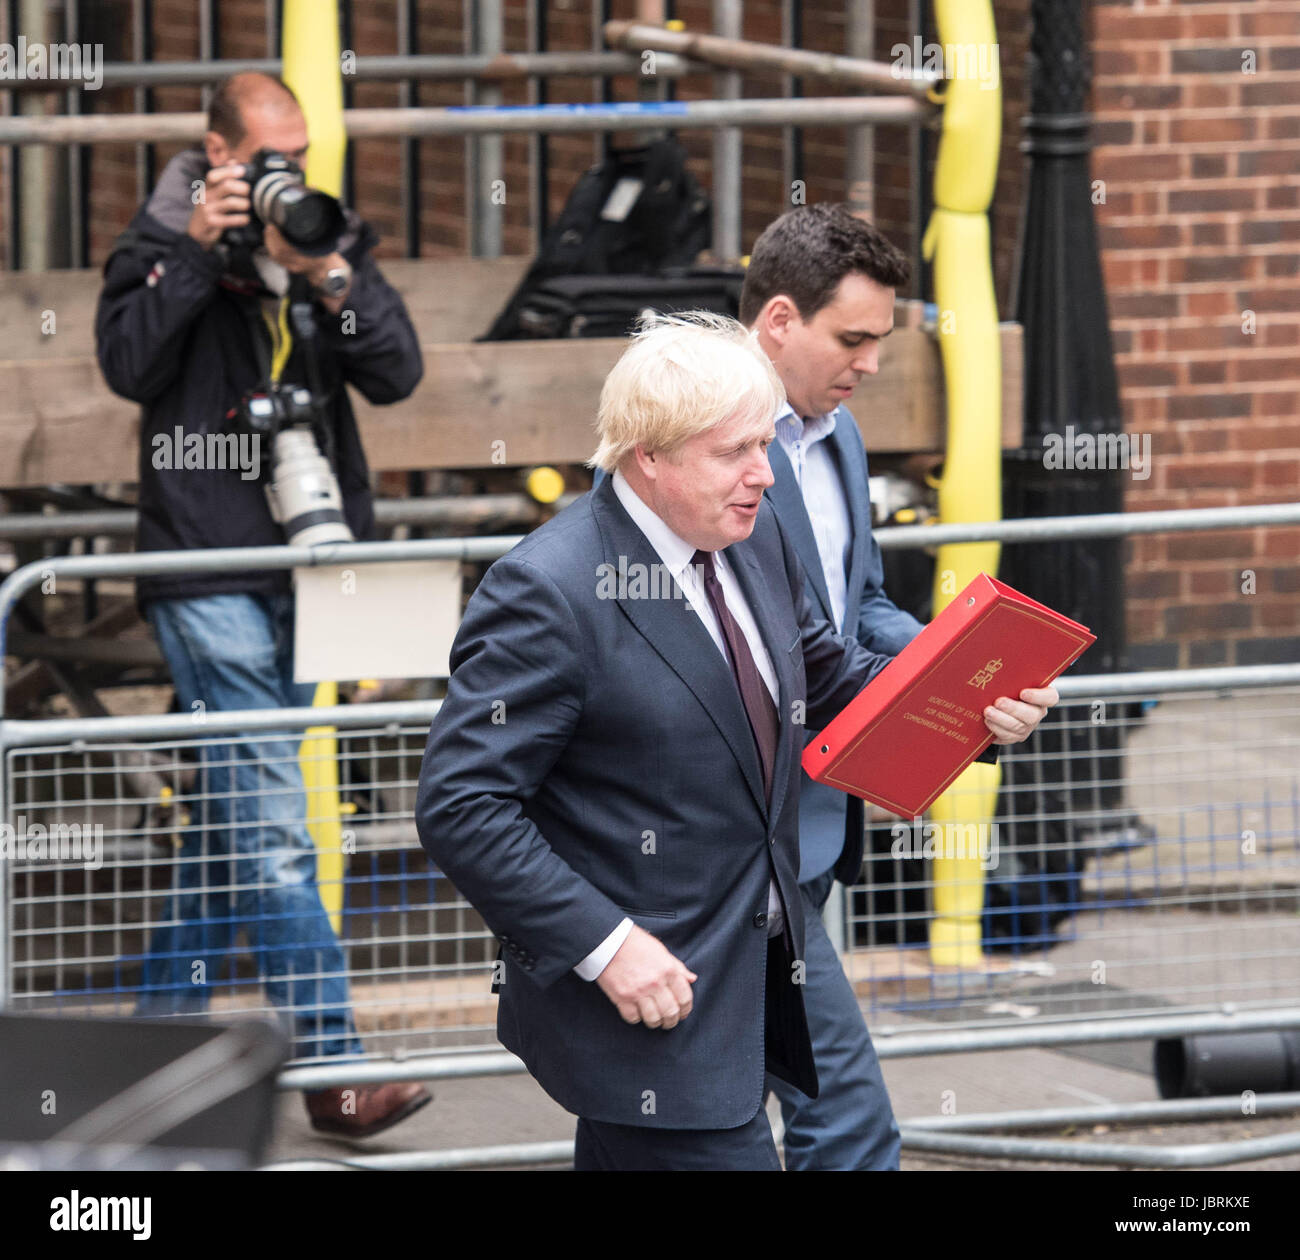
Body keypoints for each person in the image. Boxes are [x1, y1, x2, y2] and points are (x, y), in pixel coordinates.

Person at [415, 311, 1056, 1170]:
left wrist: (973, 710)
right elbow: (463, 807)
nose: (764, 474)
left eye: (765, 445)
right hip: (650, 1002)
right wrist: (608, 947)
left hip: (759, 962)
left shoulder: (752, 540)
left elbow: (831, 683)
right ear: (649, 455)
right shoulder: (547, 591)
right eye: (734, 453)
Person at [94, 73, 429, 1138]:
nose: (289, 173)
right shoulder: (157, 241)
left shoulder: (324, 241)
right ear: (218, 150)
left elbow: (398, 374)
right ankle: (331, 1068)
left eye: (301, 153)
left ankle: (144, 1067)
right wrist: (197, 250)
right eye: (268, 155)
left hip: (311, 566)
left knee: (233, 826)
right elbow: (128, 362)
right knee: (277, 823)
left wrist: (325, 271)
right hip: (202, 567)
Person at [741, 202, 1001, 1169]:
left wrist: (964, 668)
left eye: (881, 340)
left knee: (714, 1117)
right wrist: (942, 689)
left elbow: (861, 608)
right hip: (725, 835)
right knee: (841, 1119)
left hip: (797, 828)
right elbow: (795, 648)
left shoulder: (837, 435)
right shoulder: (703, 442)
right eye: (851, 338)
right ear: (777, 321)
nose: (873, 364)